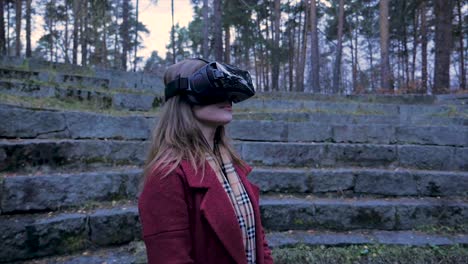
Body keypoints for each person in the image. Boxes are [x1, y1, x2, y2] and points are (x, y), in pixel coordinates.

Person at [138, 58, 274, 264]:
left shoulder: (230, 166)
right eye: (213, 88)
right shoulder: (167, 176)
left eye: (228, 90)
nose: (226, 97)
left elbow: (259, 240)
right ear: (182, 98)